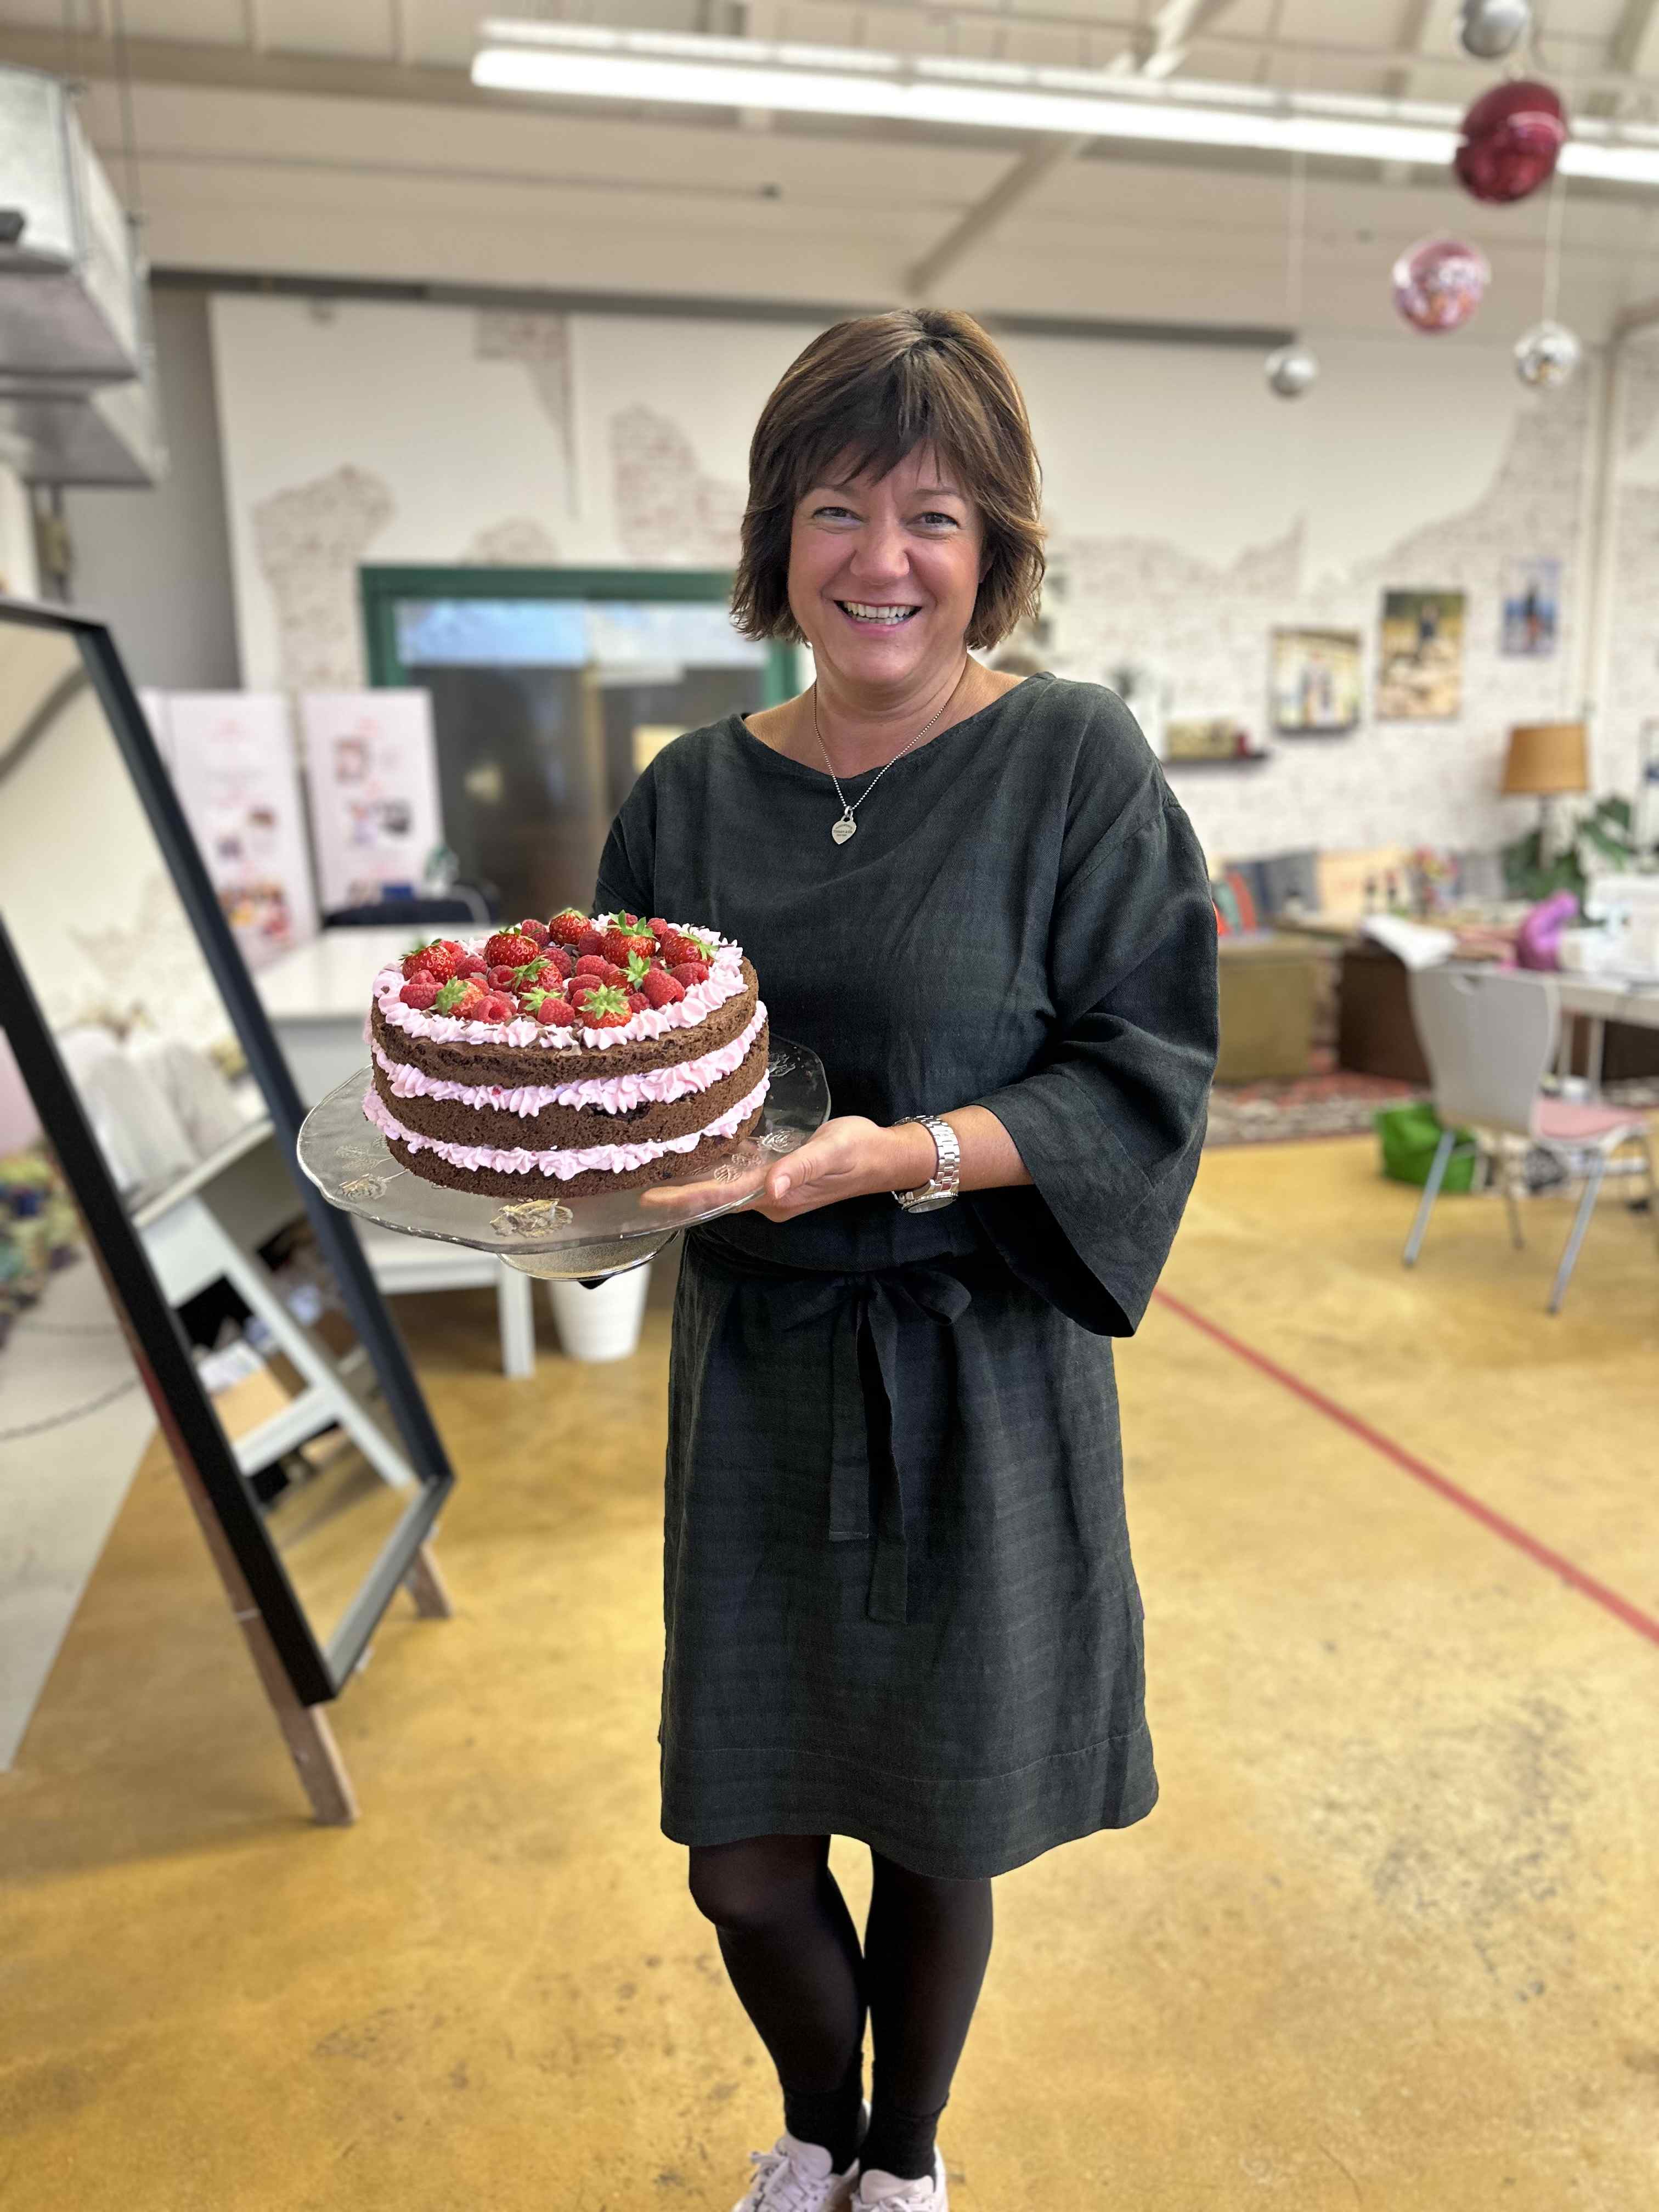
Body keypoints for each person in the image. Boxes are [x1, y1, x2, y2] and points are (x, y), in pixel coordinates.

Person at [594, 308, 1218, 2212]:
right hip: (764, 1373)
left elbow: (1145, 1064)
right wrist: (557, 1175)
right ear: (778, 535)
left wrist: (911, 1155)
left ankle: (904, 2165)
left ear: (992, 546)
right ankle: (821, 2125)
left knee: (942, 1817)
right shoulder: (689, 792)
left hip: (979, 1362)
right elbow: (621, 1065)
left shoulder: (1071, 758)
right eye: (841, 510)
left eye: (934, 517)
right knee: (746, 1856)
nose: (885, 559)